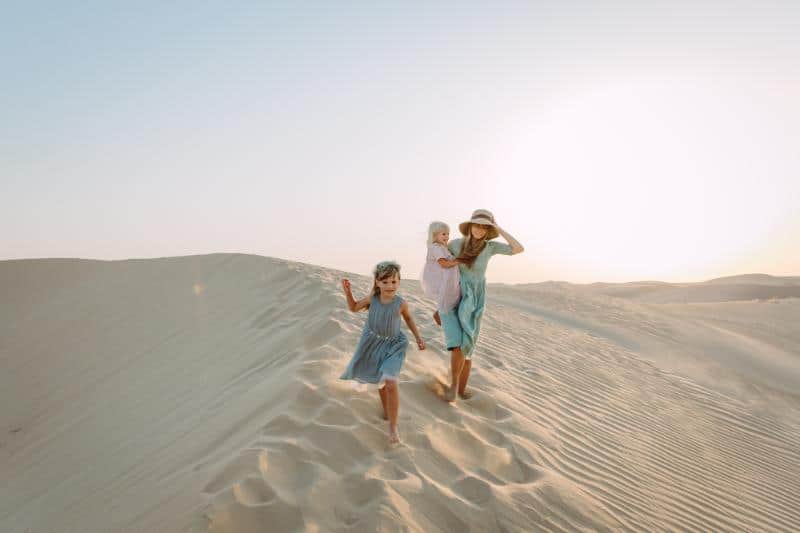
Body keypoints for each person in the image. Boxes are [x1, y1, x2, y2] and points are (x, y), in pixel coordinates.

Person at [440, 209, 524, 402]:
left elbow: (518, 248)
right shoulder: (455, 244)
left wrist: (498, 228)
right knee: (458, 345)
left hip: (475, 299)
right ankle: (453, 388)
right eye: (476, 225)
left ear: (488, 230)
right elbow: (437, 262)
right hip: (456, 294)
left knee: (468, 347)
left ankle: (460, 391)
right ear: (470, 226)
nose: (479, 229)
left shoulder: (490, 247)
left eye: (484, 227)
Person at [340, 261, 425, 443]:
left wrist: (418, 337)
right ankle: (387, 412)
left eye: (394, 282)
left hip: (394, 345)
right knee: (381, 383)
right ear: (377, 282)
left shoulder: (400, 303)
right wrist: (348, 293)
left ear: (399, 282)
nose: (390, 286)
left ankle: (393, 428)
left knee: (391, 382)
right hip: (372, 344)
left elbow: (408, 319)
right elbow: (354, 308)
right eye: (385, 282)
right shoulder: (373, 299)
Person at [420, 221, 461, 326]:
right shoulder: (436, 247)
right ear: (434, 235)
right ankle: (439, 315)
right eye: (443, 234)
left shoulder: (443, 247)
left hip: (447, 277)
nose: (447, 236)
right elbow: (443, 263)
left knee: (453, 297)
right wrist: (458, 261)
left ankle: (441, 314)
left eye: (448, 234)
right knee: (449, 297)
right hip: (441, 278)